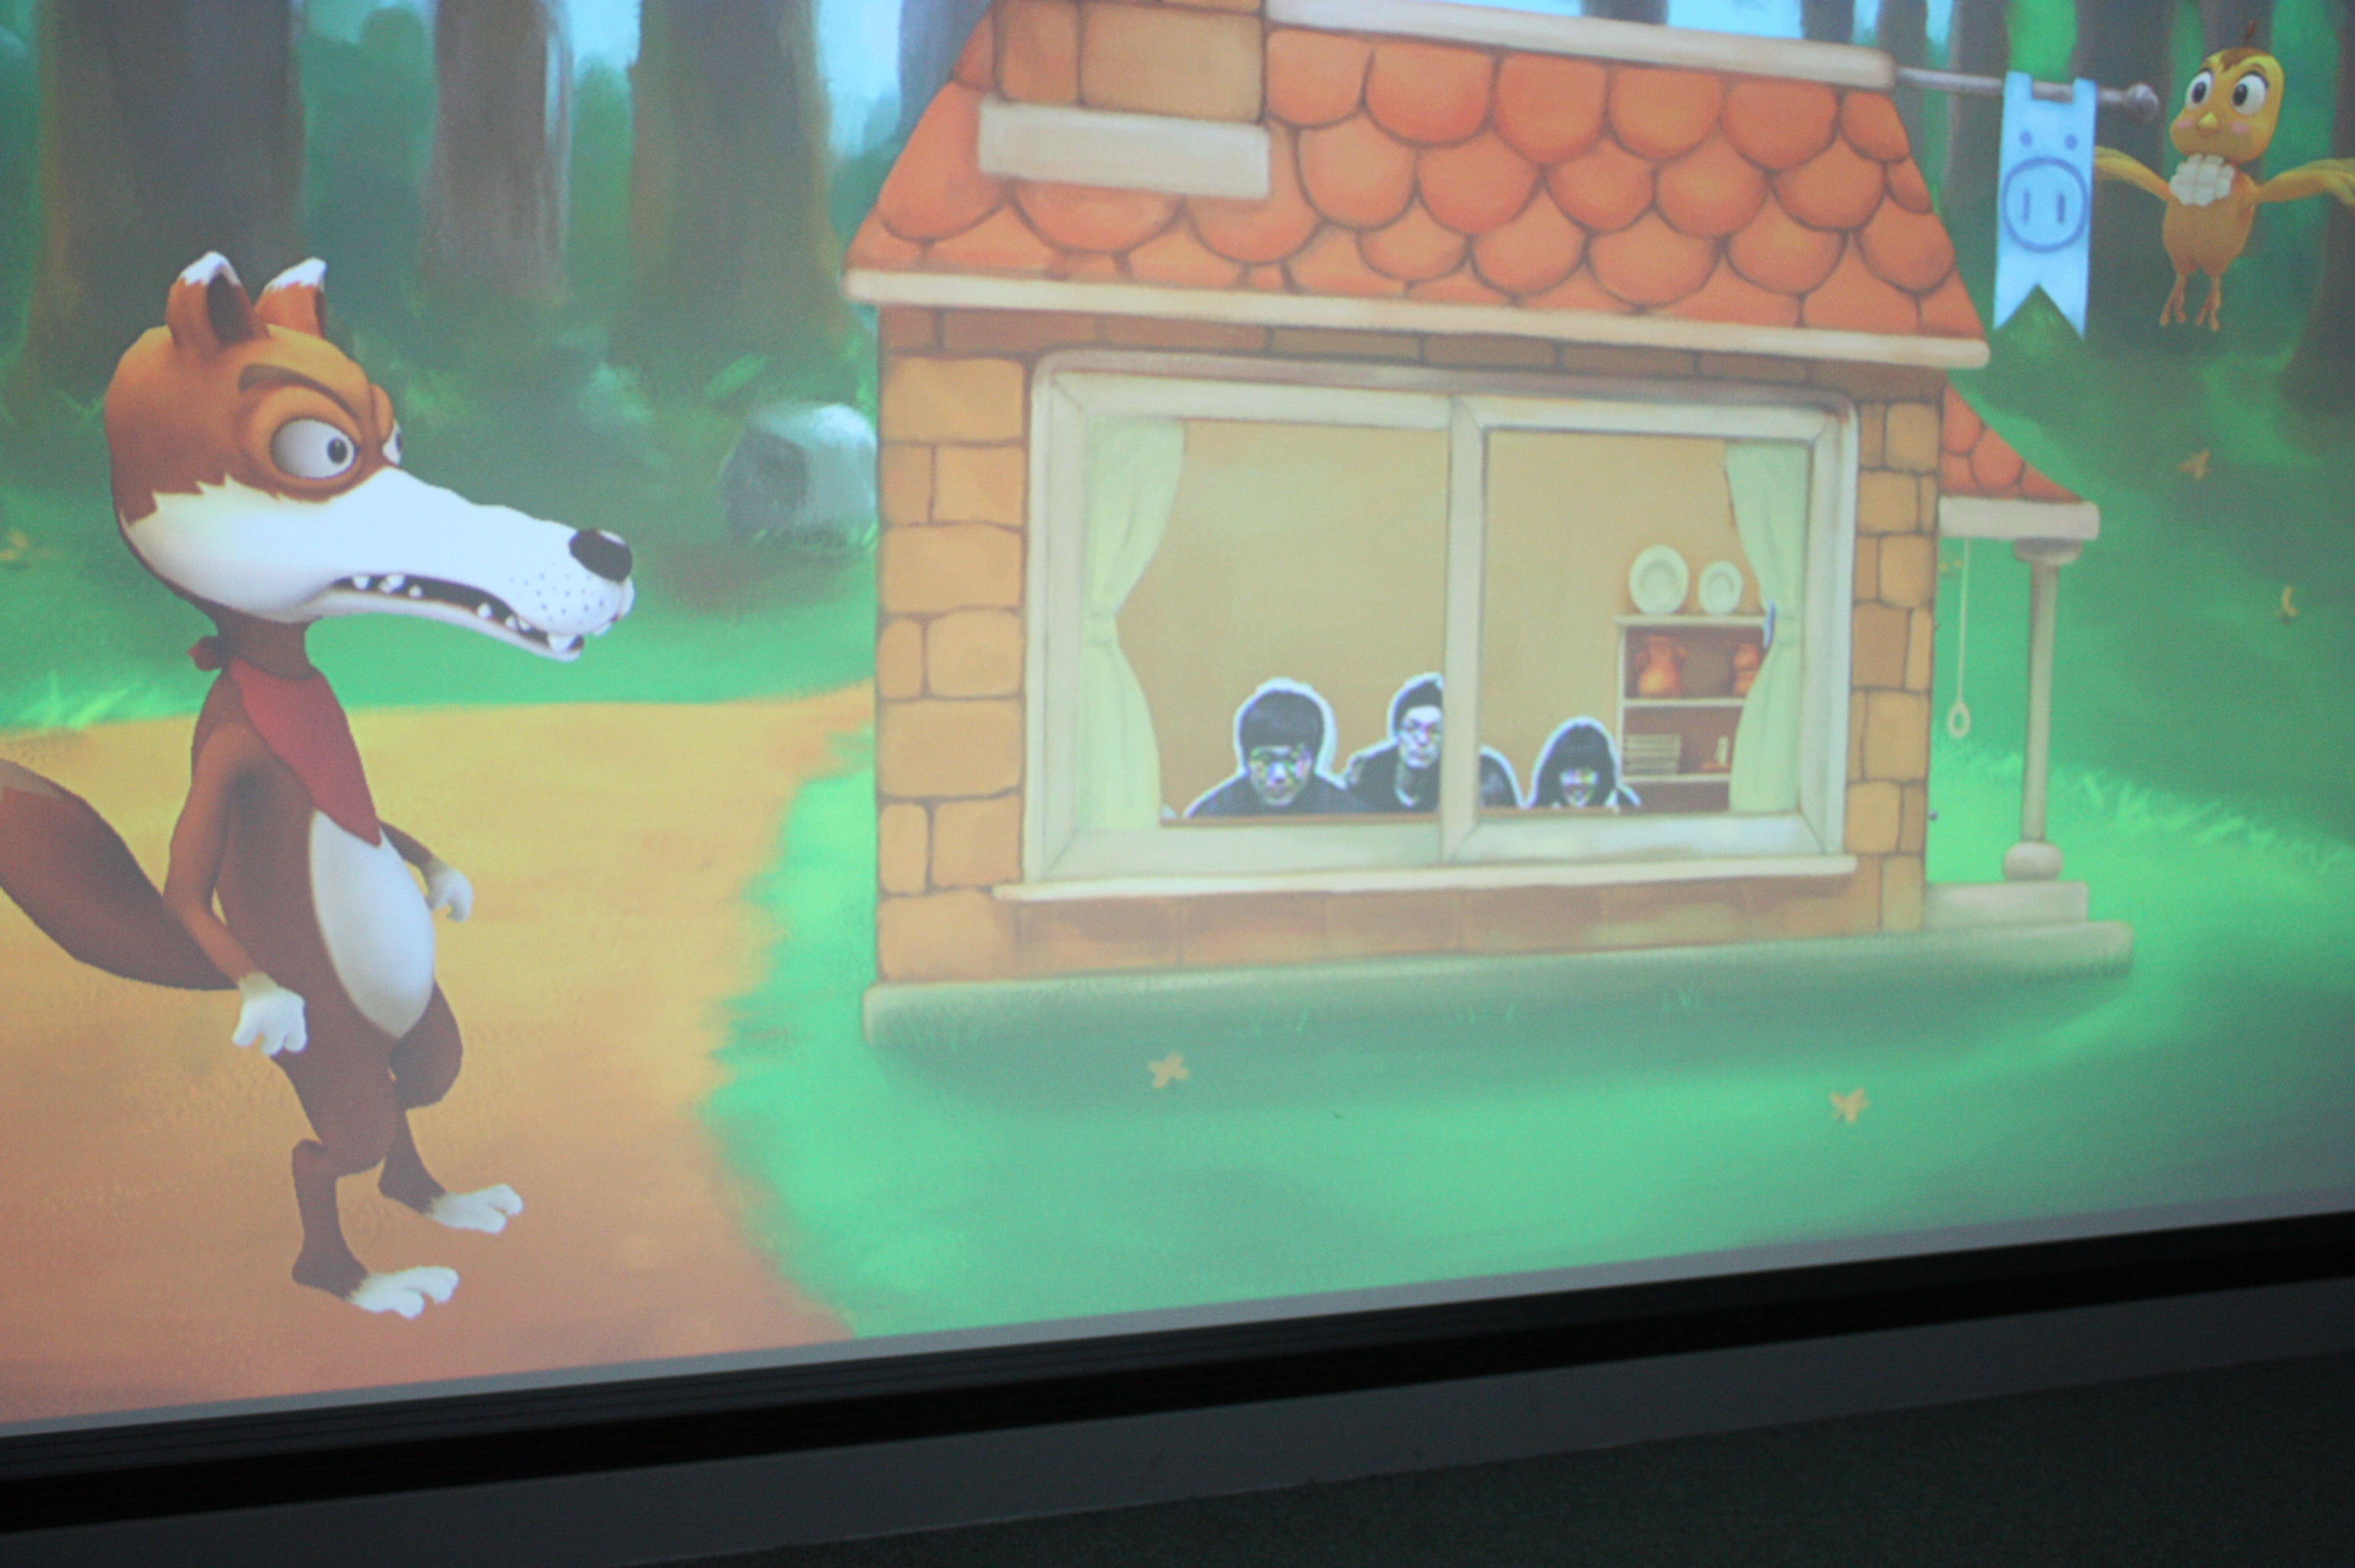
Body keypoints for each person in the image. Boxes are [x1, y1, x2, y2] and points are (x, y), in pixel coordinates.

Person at [1343, 673, 1520, 813]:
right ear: (1398, 733)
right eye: (1412, 729)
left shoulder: (1479, 775)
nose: (1422, 740)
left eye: (1434, 732)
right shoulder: (1368, 774)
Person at [1186, 680, 1366, 818]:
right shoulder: (1212, 819)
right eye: (1266, 760)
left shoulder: (1349, 818)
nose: (1279, 776)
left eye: (1292, 760)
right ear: (1246, 760)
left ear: (1313, 760)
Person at [1528, 718, 1642, 810]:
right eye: (1571, 773)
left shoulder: (1622, 807)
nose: (1578, 781)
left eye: (1585, 773)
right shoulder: (1539, 813)